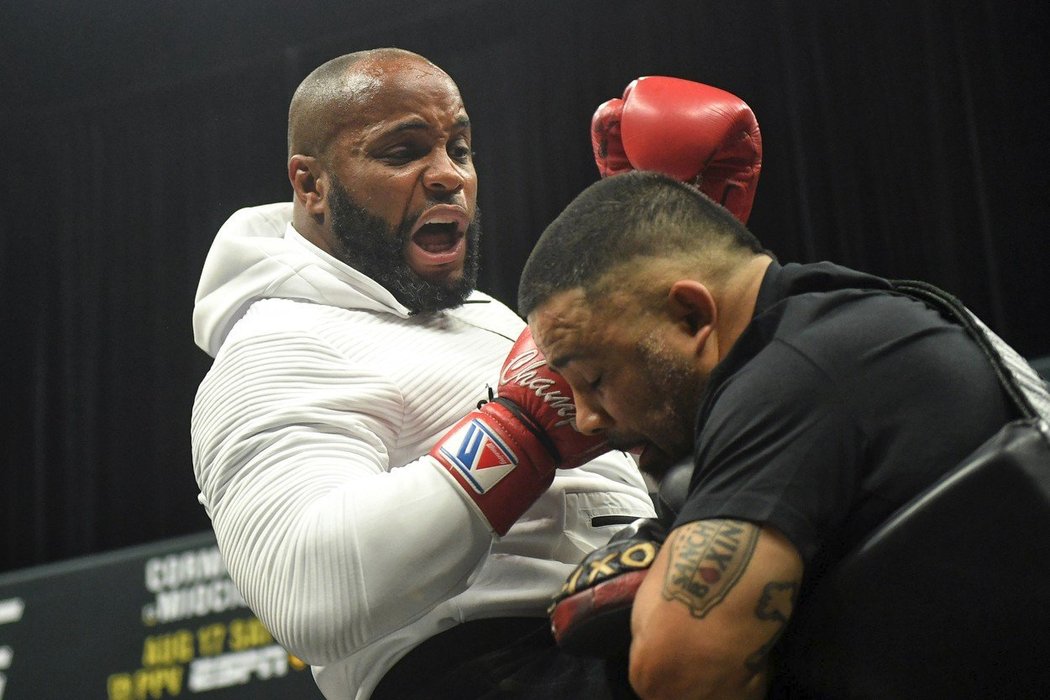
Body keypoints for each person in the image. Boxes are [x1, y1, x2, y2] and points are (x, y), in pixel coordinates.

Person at [189, 48, 660, 699]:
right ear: (311, 185)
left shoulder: (484, 316)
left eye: (459, 149)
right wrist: (518, 432)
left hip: (627, 616)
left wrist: (689, 260)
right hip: (482, 670)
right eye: (403, 151)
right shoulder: (272, 347)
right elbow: (307, 586)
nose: (449, 177)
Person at [517, 170, 1016, 699]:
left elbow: (680, 670)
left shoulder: (799, 372)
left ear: (691, 316)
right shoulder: (842, 321)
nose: (587, 419)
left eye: (595, 379)